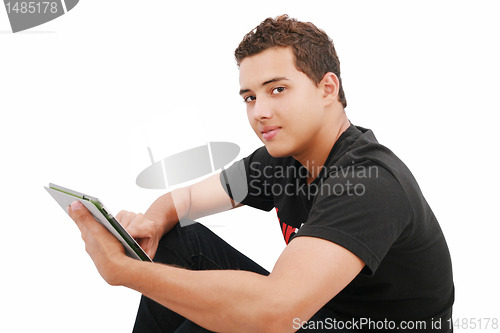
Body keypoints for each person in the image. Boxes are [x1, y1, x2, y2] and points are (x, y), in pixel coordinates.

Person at [68, 15, 454, 332]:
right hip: (319, 318)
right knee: (179, 242)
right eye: (250, 97)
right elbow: (182, 202)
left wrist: (125, 270)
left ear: (327, 88)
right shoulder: (281, 161)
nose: (259, 112)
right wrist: (152, 223)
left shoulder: (369, 182)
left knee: (231, 319)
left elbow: (274, 313)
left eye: (278, 89)